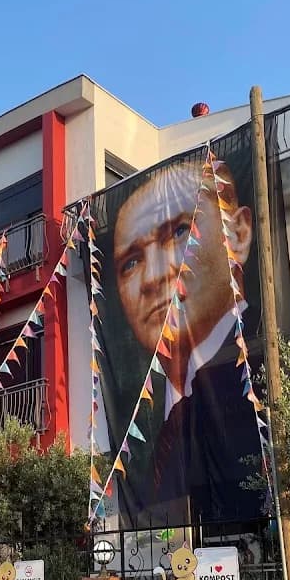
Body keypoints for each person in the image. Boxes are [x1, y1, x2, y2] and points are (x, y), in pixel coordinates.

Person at [107, 155, 264, 526]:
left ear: (238, 235)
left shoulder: (265, 371)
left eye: (180, 232)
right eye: (130, 263)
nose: (150, 278)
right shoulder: (141, 431)